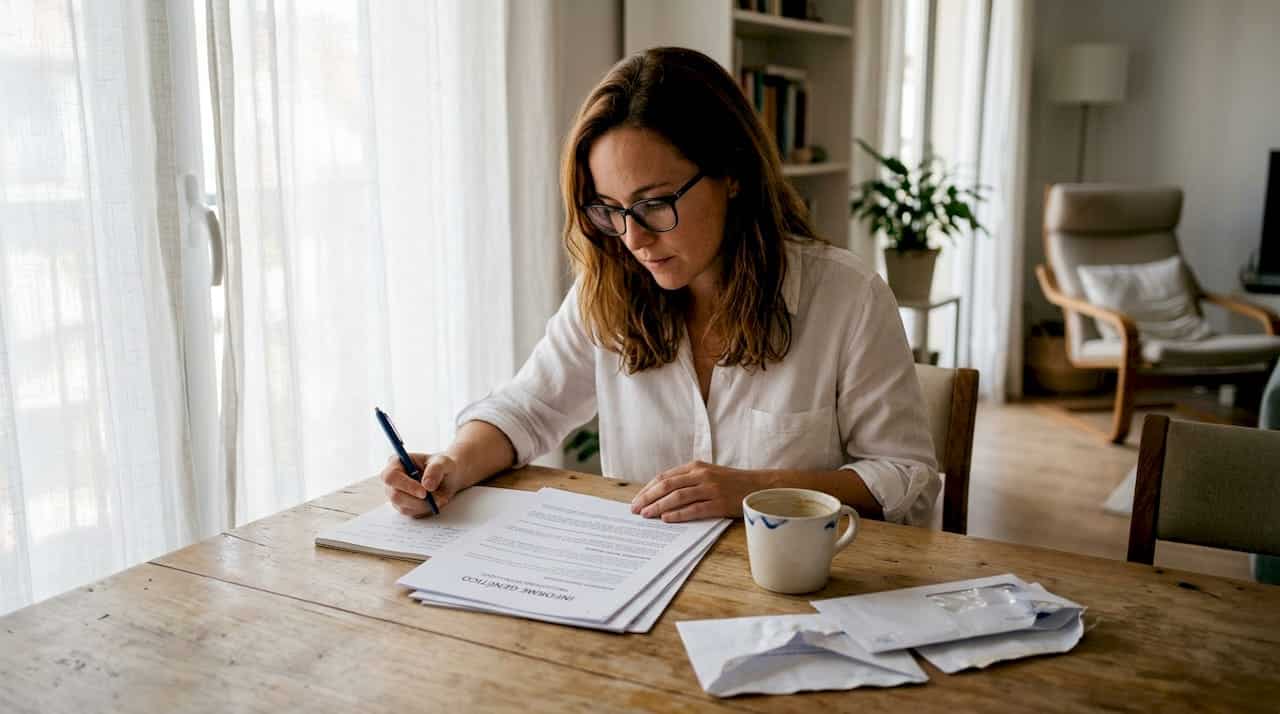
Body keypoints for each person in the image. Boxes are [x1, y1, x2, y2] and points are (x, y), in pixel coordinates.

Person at [381, 47, 940, 526]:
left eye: (655, 203)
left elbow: (904, 476)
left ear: (733, 172)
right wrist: (450, 466)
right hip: (640, 598)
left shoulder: (848, 299)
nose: (633, 238)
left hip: (799, 595)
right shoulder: (607, 294)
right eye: (611, 210)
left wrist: (751, 491)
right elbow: (527, 409)